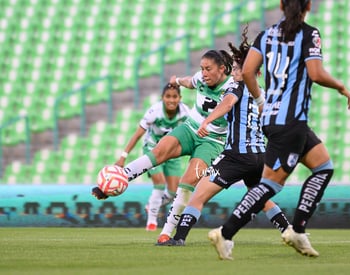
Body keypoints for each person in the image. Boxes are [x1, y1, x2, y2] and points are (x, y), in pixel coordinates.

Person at [208, 0, 350, 260]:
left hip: (276, 118)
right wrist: (341, 86)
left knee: (323, 167)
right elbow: (316, 73)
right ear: (308, 5)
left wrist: (261, 101)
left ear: (281, 4)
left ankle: (297, 230)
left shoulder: (266, 35)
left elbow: (249, 70)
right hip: (291, 121)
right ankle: (226, 233)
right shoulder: (310, 34)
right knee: (270, 185)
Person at [158, 26, 290, 249]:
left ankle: (178, 237)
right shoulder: (263, 94)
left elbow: (227, 102)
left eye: (239, 68)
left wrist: (207, 121)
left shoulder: (237, 87)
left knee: (198, 195)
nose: (235, 72)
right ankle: (290, 231)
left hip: (236, 156)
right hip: (259, 156)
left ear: (250, 72)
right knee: (262, 199)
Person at [92, 49, 235, 244]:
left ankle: (166, 234)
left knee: (187, 183)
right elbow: (189, 82)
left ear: (222, 68)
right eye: (202, 69)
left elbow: (226, 106)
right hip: (189, 129)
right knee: (158, 151)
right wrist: (177, 81)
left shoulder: (233, 87)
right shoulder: (200, 79)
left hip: (213, 141)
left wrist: (208, 122)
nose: (204, 73)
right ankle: (114, 183)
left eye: (208, 69)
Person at [113, 83, 190, 231]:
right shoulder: (155, 111)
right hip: (153, 149)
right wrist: (123, 156)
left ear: (180, 98)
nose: (171, 100)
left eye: (175, 97)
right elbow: (137, 135)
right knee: (160, 184)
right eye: (168, 96)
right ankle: (151, 222)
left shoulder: (186, 112)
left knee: (173, 192)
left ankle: (153, 205)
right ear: (162, 98)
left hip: (172, 153)